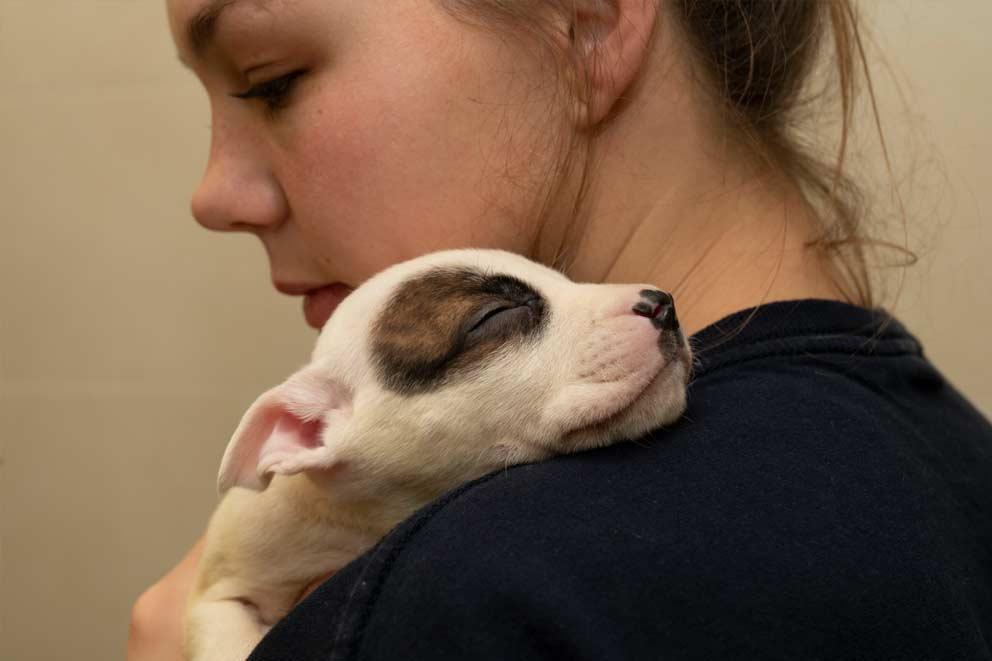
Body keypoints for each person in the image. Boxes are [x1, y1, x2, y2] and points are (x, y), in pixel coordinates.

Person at [129, 0, 992, 658]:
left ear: (587, 20)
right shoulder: (958, 463)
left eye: (271, 79)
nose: (213, 195)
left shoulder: (479, 593)